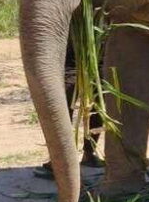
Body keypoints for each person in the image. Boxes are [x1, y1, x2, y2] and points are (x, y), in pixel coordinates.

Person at [32, 41, 104, 179]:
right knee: (66, 97)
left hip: (98, 46)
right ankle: (61, 159)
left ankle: (88, 153)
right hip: (71, 49)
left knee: (98, 96)